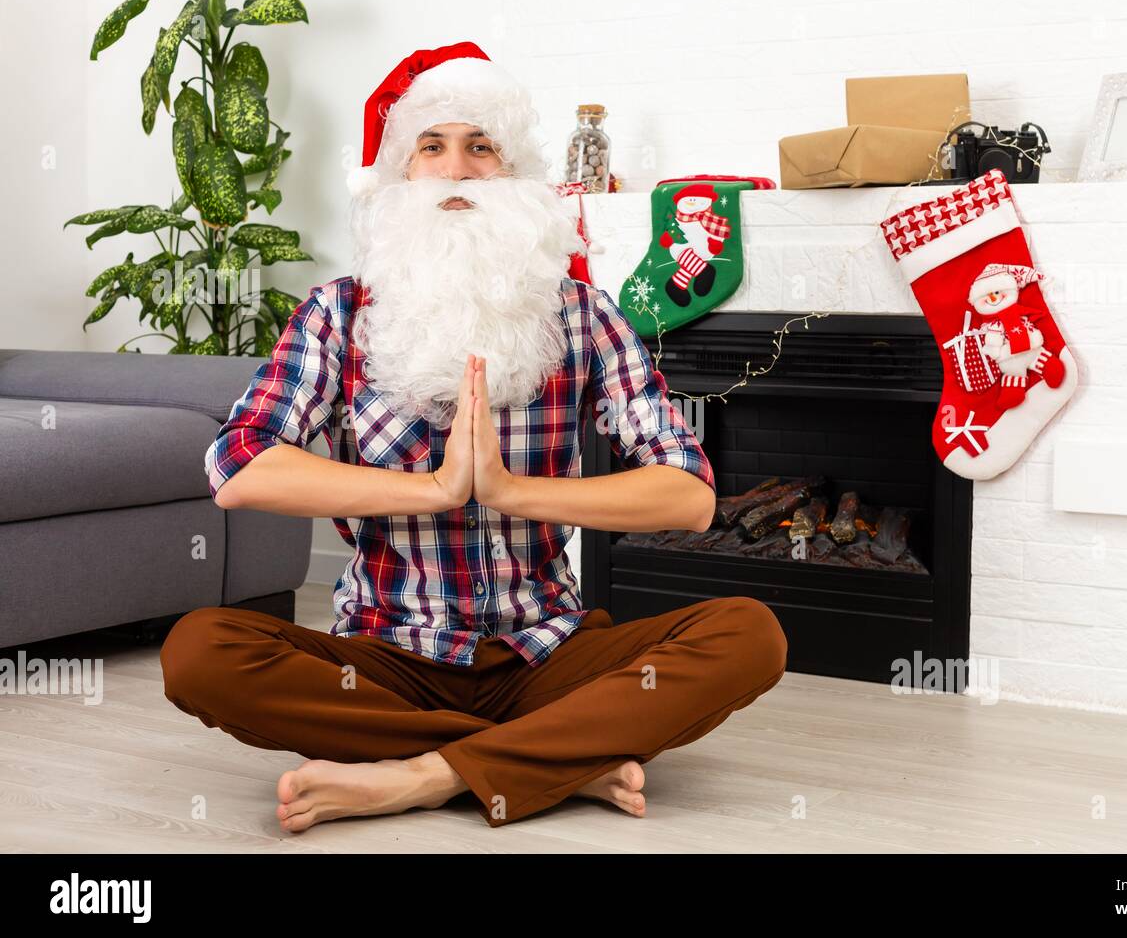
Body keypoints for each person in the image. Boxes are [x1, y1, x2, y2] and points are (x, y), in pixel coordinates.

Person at [159, 42, 787, 832]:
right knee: (199, 651)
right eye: (432, 146)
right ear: (399, 174)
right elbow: (239, 467)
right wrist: (433, 490)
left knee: (748, 634)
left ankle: (418, 773)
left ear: (516, 175)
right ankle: (547, 762)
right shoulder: (339, 313)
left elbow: (689, 495)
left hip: (547, 654)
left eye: (480, 146)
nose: (456, 169)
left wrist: (510, 491)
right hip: (386, 663)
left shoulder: (582, 314)